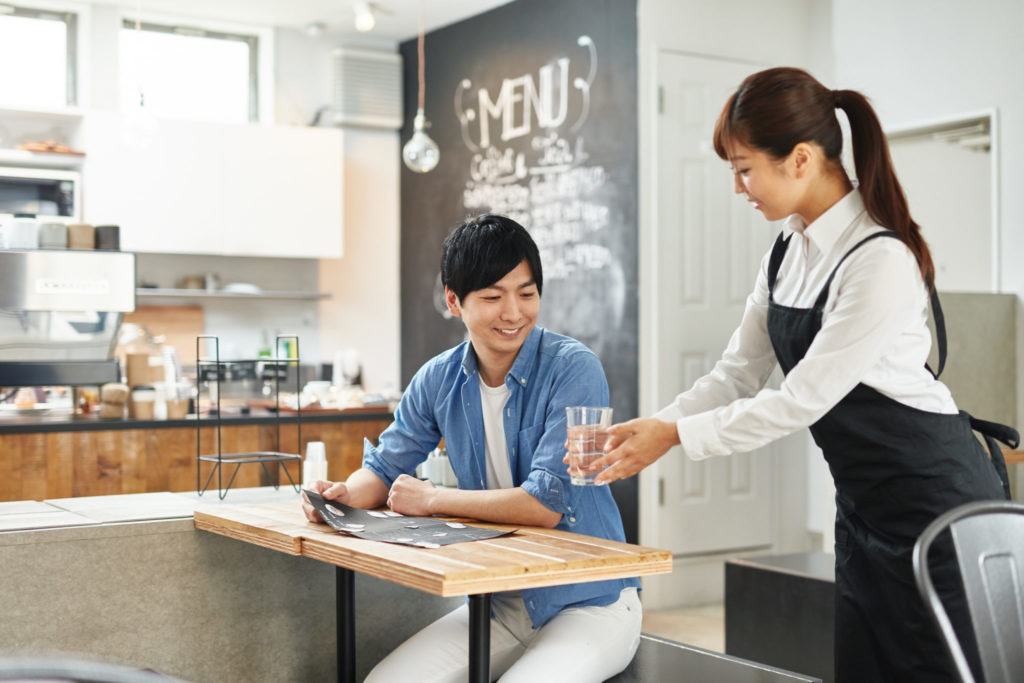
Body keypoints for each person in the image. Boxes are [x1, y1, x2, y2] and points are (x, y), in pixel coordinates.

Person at [590, 67, 1016, 682]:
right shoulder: (786, 253)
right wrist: (657, 424)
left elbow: (799, 401)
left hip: (937, 504)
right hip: (865, 509)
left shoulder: (880, 260)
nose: (739, 187)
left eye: (743, 168)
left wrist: (677, 438)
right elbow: (738, 372)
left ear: (800, 159)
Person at [302, 214, 641, 682]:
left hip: (589, 604)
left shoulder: (573, 369)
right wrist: (342, 497)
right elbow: (382, 468)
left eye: (526, 293)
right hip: (499, 603)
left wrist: (434, 501)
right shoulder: (438, 378)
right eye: (492, 296)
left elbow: (545, 505)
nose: (514, 312)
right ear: (453, 301)